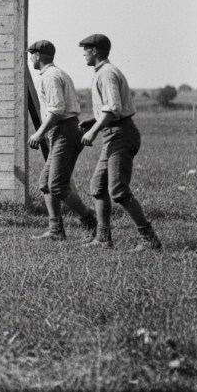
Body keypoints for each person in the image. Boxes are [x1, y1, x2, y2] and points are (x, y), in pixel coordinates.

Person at [78, 34, 161, 251]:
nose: (83, 53)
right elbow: (110, 109)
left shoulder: (106, 73)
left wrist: (94, 131)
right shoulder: (103, 72)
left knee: (118, 190)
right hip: (114, 133)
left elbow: (113, 109)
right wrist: (94, 120)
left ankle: (148, 239)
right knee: (98, 186)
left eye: (85, 49)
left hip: (121, 134)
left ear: (95, 51)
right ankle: (103, 238)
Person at [26, 40, 98, 241]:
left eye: (31, 54)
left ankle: (90, 220)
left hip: (64, 131)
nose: (30, 58)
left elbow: (57, 110)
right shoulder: (58, 74)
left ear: (38, 56)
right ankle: (56, 229)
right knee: (45, 183)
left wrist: (39, 133)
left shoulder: (49, 76)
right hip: (63, 131)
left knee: (56, 185)